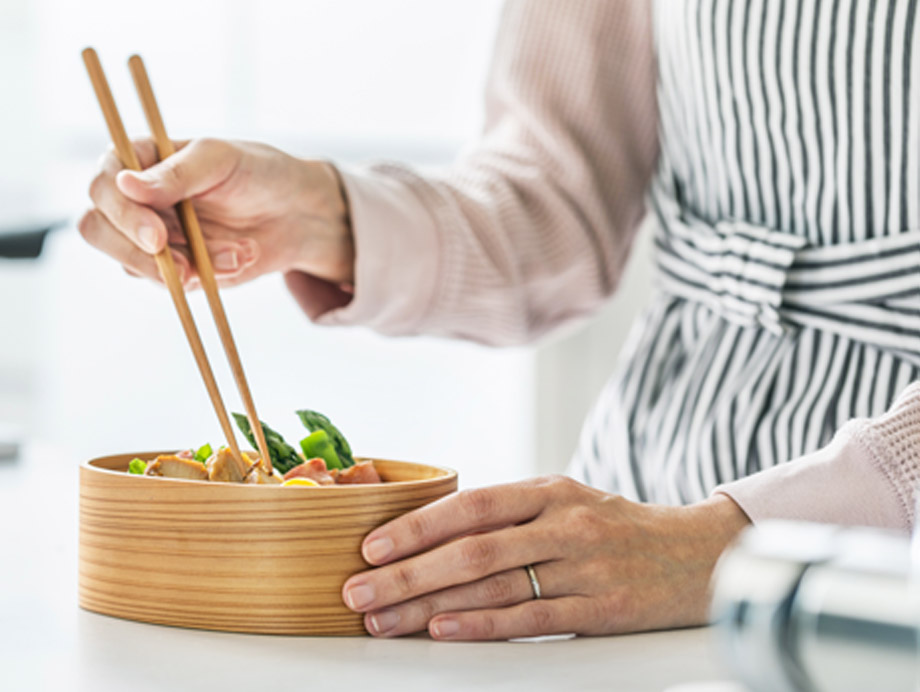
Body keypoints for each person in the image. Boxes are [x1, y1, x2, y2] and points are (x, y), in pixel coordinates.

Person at [80, 0, 920, 640]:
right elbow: (555, 202)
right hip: (645, 504)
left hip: (884, 565)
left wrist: (739, 539)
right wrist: (323, 216)